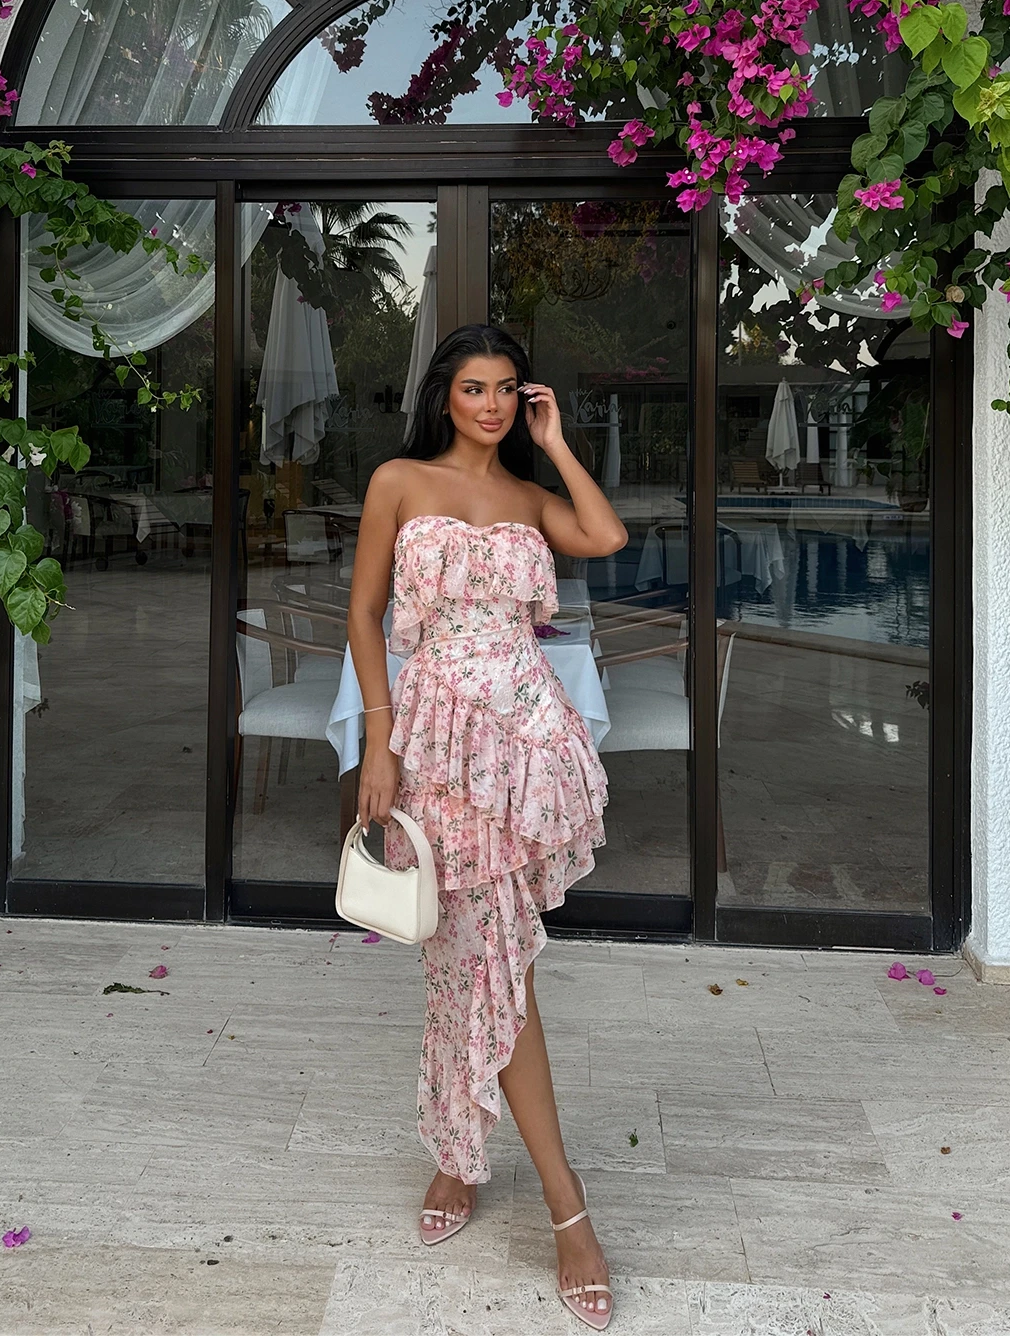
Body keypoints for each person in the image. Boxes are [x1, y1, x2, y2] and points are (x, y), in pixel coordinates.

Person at [348, 324, 627, 1331]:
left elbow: (605, 536)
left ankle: (545, 1197)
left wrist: (557, 446)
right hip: (433, 746)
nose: (494, 404)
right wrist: (378, 744)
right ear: (445, 396)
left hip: (522, 750)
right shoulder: (398, 482)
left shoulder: (529, 496)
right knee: (465, 961)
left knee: (492, 963)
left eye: (509, 389)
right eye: (476, 388)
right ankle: (481, 1164)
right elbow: (365, 616)